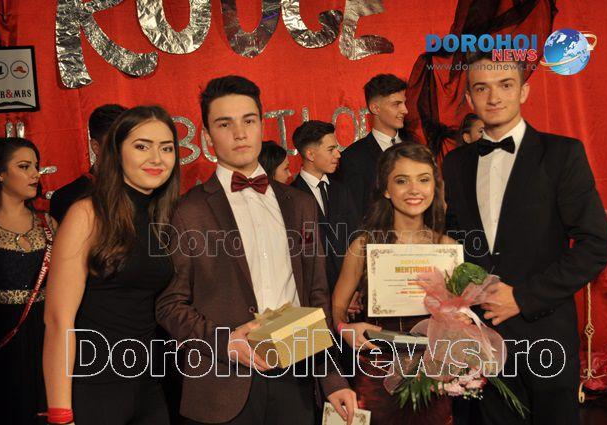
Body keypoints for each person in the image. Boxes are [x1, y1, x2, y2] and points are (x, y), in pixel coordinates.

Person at [155, 75, 356, 425]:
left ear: (262, 126)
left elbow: (316, 296)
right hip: (222, 385)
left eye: (248, 121)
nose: (239, 133)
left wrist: (332, 378)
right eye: (224, 124)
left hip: (296, 377)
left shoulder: (300, 204)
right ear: (206, 137)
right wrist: (225, 343)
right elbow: (169, 305)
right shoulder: (189, 211)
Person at [443, 51, 607, 425]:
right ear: (469, 98)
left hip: (546, 331)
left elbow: (596, 245)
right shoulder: (455, 163)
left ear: (524, 91)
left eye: (505, 85)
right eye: (481, 88)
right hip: (481, 339)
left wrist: (523, 297)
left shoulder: (562, 154)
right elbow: (456, 242)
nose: (494, 97)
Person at [43, 106, 181, 425]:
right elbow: (58, 320)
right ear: (115, 153)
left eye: (166, 148)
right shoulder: (87, 214)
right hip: (93, 388)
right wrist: (60, 415)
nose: (157, 158)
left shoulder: (162, 217)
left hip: (147, 385)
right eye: (142, 146)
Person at [332, 143, 453, 425]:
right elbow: (336, 308)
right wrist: (345, 328)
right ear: (386, 189)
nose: (414, 190)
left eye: (423, 179)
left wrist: (460, 322)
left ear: (434, 187)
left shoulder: (446, 247)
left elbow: (455, 314)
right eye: (401, 180)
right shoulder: (363, 246)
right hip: (377, 372)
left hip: (433, 374)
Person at [0, 137, 57, 425]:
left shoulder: (48, 224)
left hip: (44, 333)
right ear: (0, 174)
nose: (35, 174)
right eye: (24, 166)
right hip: (2, 333)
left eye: (36, 166)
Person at [291, 120, 360, 292]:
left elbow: (356, 239)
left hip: (350, 291)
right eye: (331, 149)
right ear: (311, 154)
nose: (338, 154)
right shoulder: (290, 197)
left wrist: (354, 290)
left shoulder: (342, 190)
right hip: (313, 294)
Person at [336, 74, 410, 214]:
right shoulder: (353, 157)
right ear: (375, 108)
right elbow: (354, 213)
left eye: (404, 103)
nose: (405, 110)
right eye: (396, 104)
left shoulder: (416, 148)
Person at [50, 104, 127, 223]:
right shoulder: (67, 198)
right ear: (96, 147)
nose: (124, 151)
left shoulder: (149, 191)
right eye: (115, 144)